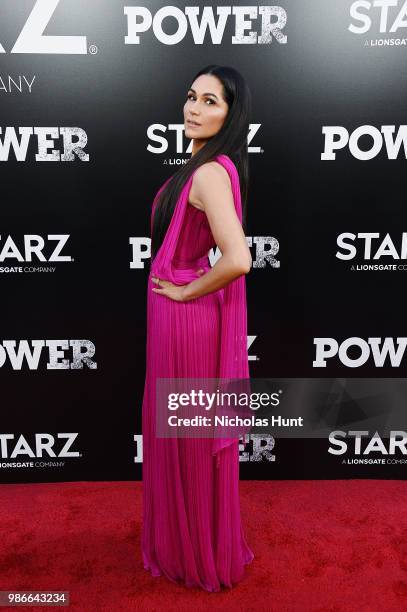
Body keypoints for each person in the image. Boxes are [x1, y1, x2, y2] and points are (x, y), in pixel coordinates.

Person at [142, 64, 254, 592]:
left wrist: (185, 290)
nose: (194, 108)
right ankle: (192, 541)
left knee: (187, 437)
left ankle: (195, 549)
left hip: (185, 318)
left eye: (211, 102)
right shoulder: (203, 166)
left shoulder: (209, 172)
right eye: (191, 96)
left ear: (231, 115)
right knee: (182, 434)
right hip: (177, 317)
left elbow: (238, 258)